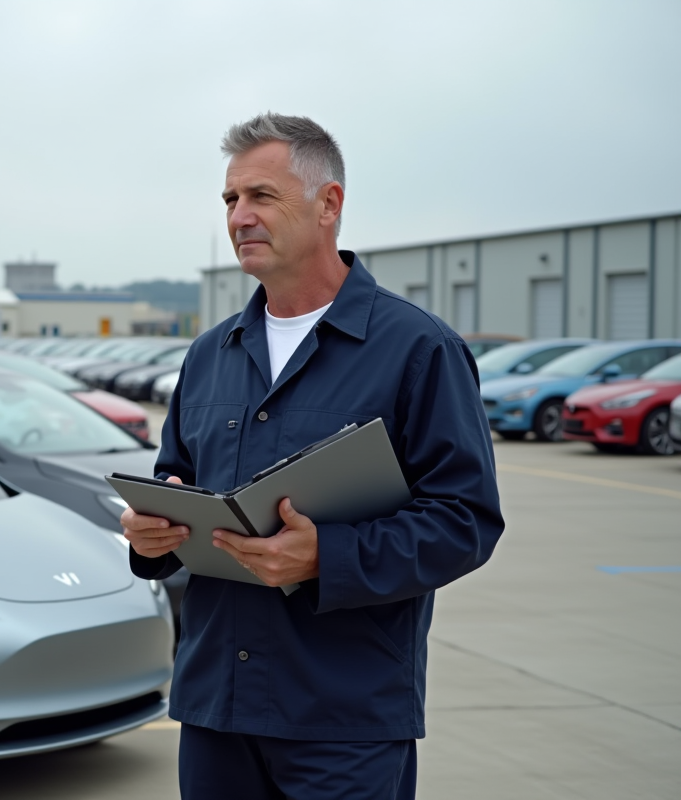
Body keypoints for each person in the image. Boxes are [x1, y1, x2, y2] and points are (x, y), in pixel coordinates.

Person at [121, 113, 504, 800]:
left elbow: (465, 522)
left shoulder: (418, 350)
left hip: (343, 719)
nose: (240, 216)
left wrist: (328, 555)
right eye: (230, 200)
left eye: (260, 196)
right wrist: (152, 537)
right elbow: (174, 480)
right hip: (216, 707)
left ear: (328, 205)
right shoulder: (211, 354)